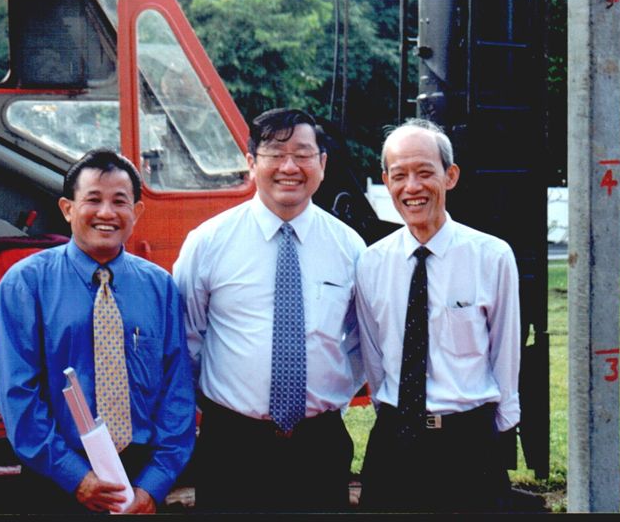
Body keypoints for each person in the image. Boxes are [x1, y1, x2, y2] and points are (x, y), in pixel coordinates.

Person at [173, 108, 366, 512]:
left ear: (323, 164)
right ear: (251, 163)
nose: (289, 167)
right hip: (232, 446)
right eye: (275, 154)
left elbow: (362, 342)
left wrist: (334, 394)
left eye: (302, 154)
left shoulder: (350, 248)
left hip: (320, 446)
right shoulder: (208, 243)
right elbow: (186, 338)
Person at [0, 149, 195, 514]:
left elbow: (177, 391)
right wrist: (76, 477)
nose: (106, 213)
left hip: (139, 478)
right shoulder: (25, 284)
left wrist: (155, 483)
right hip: (54, 476)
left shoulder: (159, 287)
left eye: (120, 201)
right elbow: (18, 394)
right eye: (93, 200)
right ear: (68, 209)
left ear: (137, 212)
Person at [355, 118, 520, 513]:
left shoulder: (491, 257)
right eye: (399, 176)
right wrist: (394, 417)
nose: (412, 187)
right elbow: (373, 356)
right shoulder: (371, 263)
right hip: (395, 443)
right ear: (386, 181)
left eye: (425, 172)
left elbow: (505, 352)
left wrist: (493, 432)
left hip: (469, 444)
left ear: (450, 176)